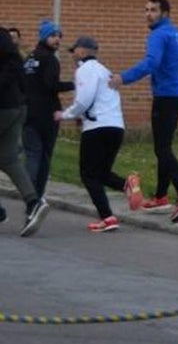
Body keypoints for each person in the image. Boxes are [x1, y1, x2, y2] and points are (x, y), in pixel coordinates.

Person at [108, 0, 178, 224]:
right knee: (164, 147)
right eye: (146, 10)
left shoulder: (158, 35)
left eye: (153, 10)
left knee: (162, 148)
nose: (148, 14)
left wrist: (124, 78)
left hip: (165, 96)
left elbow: (151, 63)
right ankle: (161, 197)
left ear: (165, 14)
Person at [54, 36, 142, 233]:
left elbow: (84, 100)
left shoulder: (84, 70)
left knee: (88, 174)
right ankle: (127, 185)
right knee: (102, 173)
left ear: (84, 51)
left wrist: (65, 115)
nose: (73, 55)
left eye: (74, 51)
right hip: (116, 126)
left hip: (96, 128)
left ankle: (107, 217)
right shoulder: (104, 70)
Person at [0, 27, 49, 236]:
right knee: (9, 159)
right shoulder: (6, 42)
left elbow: (9, 70)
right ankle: (33, 203)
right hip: (16, 106)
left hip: (3, 106)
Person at [22, 19, 74, 199]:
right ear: (44, 36)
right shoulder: (49, 59)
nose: (57, 39)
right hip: (46, 113)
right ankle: (36, 195)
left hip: (27, 112)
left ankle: (27, 192)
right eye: (53, 35)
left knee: (31, 154)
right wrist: (74, 85)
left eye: (59, 36)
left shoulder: (29, 58)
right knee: (43, 156)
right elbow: (51, 85)